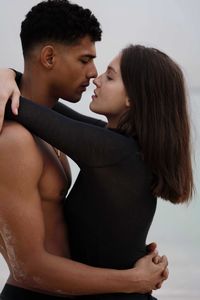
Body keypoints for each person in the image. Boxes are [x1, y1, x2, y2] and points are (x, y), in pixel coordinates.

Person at [0, 1, 168, 300]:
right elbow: (28, 267)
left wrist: (7, 75)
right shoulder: (17, 141)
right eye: (84, 60)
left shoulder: (64, 133)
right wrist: (133, 279)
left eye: (107, 72)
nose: (94, 73)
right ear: (49, 57)